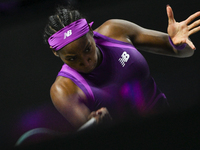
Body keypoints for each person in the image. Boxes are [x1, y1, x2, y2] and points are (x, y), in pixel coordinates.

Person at [43, 4, 200, 132]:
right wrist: (101, 126)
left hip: (173, 126)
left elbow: (184, 52)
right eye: (72, 58)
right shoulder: (63, 90)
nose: (86, 61)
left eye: (87, 49)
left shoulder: (115, 31)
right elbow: (97, 140)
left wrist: (177, 44)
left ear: (90, 32)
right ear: (56, 53)